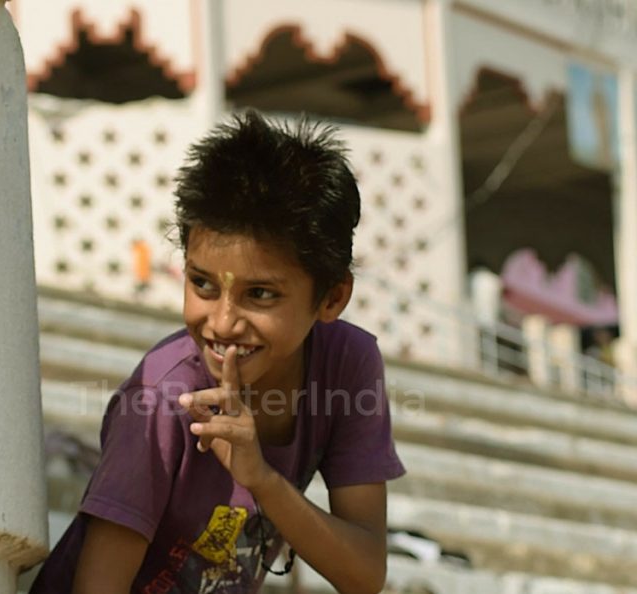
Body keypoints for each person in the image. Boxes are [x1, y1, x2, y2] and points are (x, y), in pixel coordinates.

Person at [29, 110, 406, 594]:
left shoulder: (347, 367)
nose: (223, 322)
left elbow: (364, 573)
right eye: (202, 283)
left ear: (332, 298)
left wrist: (261, 479)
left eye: (261, 294)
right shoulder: (164, 400)